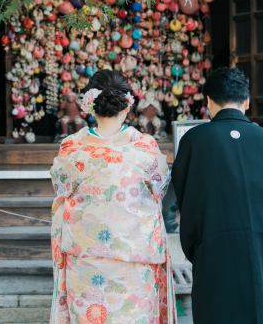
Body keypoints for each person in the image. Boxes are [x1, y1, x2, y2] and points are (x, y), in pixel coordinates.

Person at [50, 70, 177, 324]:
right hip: (135, 258)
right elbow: (159, 190)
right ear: (128, 106)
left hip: (86, 258)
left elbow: (60, 190)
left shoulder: (72, 147)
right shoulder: (145, 146)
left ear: (89, 105)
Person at [171, 67, 263, 324]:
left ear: (208, 101)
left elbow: (186, 199)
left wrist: (195, 246)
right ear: (246, 101)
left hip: (214, 244)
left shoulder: (194, 139)